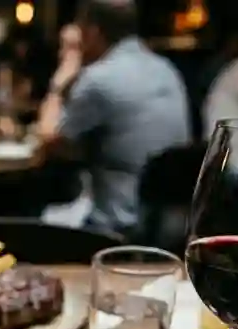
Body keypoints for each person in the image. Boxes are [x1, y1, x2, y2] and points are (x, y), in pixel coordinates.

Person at [35, 0, 191, 236]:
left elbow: (48, 139)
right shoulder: (167, 69)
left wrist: (65, 70)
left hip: (119, 226)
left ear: (93, 32)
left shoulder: (98, 79)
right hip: (175, 225)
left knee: (42, 219)